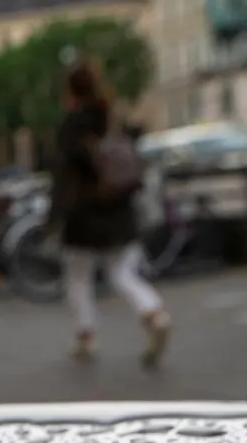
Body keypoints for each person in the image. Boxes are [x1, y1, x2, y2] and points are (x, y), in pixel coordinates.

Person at [48, 60, 171, 368]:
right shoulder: (112, 117)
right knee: (123, 272)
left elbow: (63, 173)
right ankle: (154, 313)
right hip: (119, 207)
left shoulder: (71, 125)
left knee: (77, 277)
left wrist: (54, 215)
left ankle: (86, 336)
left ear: (70, 91)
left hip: (84, 214)